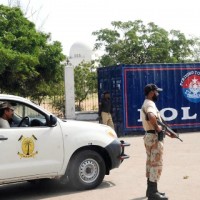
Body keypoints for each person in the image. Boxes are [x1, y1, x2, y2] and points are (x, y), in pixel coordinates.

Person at [141, 84, 174, 200]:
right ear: (151, 93)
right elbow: (151, 116)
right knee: (156, 164)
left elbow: (156, 120)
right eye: (156, 92)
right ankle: (153, 193)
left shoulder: (147, 103)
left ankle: (151, 190)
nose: (158, 94)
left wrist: (169, 134)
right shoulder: (150, 104)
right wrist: (157, 128)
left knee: (151, 164)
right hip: (154, 138)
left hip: (150, 136)